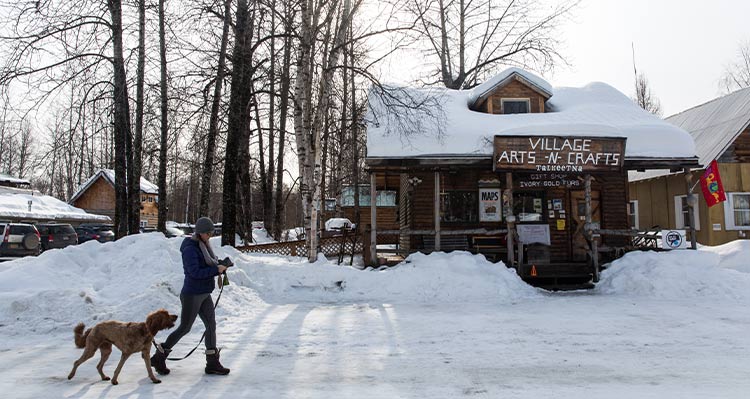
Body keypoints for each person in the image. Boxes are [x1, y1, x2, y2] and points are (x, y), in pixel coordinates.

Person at [151, 216, 233, 376]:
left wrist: (221, 265)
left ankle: (212, 363)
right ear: (200, 232)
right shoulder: (190, 248)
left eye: (211, 233)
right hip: (192, 294)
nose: (210, 236)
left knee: (211, 325)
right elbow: (194, 272)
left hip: (204, 293)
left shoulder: (203, 245)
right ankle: (159, 356)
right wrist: (216, 270)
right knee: (185, 328)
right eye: (208, 233)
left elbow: (208, 264)